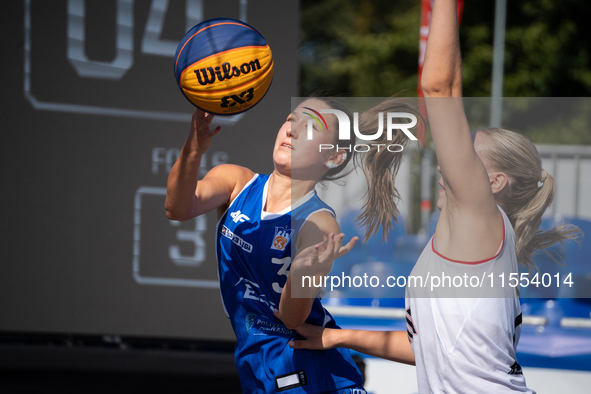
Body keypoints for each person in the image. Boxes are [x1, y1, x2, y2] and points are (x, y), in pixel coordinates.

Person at [282, 1, 582, 393]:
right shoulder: (478, 241)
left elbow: (440, 86)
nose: (446, 165)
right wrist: (341, 337)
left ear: (495, 183)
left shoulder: (480, 216)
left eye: (471, 158)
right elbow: (426, 346)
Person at [165, 95, 419, 393]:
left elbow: (291, 317)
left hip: (314, 376)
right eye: (290, 119)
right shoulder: (237, 183)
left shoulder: (319, 224)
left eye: (311, 125)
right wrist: (194, 148)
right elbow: (177, 209)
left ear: (334, 156)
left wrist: (302, 273)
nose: (292, 129)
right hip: (262, 368)